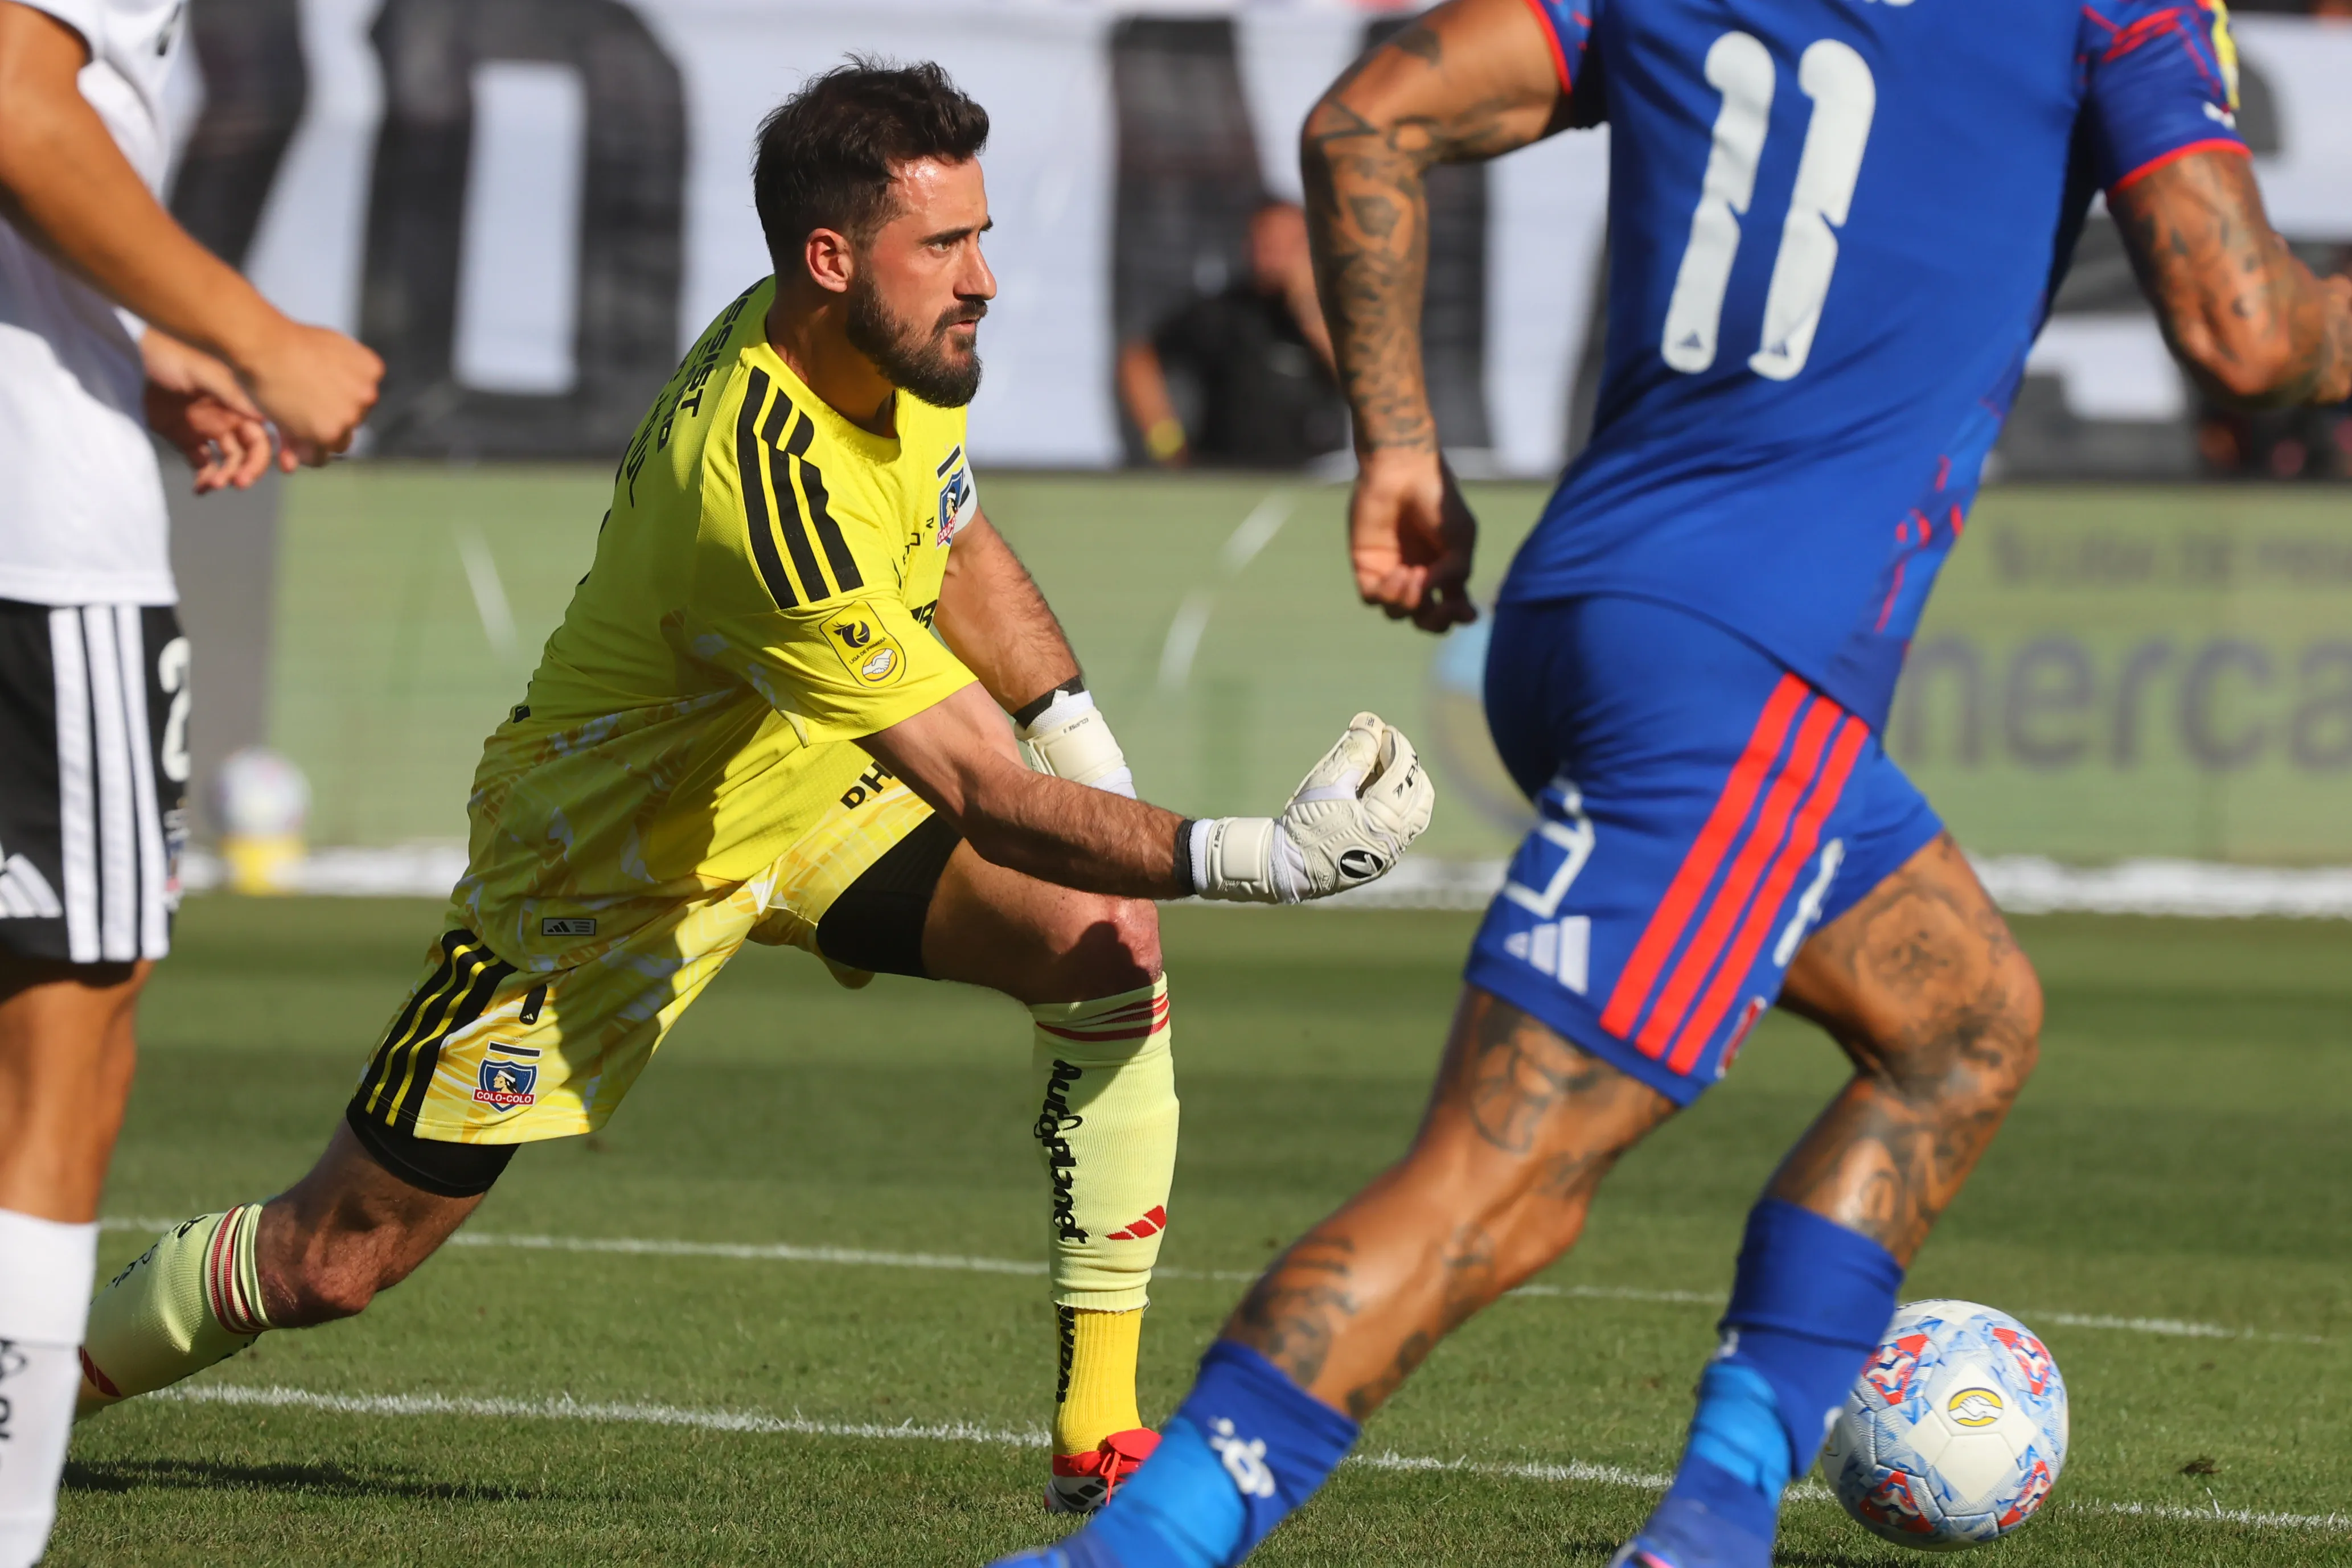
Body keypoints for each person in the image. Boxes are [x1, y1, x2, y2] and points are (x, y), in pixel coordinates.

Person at [1000, 0, 2351, 1560]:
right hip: (1742, 675)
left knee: (1961, 1026)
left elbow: (1361, 117)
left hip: (1585, 613)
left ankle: (1712, 1520)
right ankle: (1132, 1548)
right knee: (1498, 1186)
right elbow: (2247, 334)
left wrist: (1396, 441)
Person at [71, 59, 1433, 1524]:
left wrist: (1084, 741)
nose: (983, 279)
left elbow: (958, 540)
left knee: (1103, 946)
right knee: (332, 1261)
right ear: (830, 258)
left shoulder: (888, 348)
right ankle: (36, 1383)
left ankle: (1098, 1432)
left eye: (982, 235)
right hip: (603, 875)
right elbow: (975, 786)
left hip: (807, 791)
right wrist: (1263, 858)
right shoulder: (757, 477)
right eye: (947, 245)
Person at [0, 0, 381, 1561]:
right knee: (61, 1060)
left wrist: (129, 343)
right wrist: (254, 336)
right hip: (34, 548)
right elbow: (20, 109)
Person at [1116, 202, 1345, 469]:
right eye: (1267, 243)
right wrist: (1168, 443)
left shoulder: (1337, 315)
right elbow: (1138, 359)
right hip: (1229, 478)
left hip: (1319, 475)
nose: (1275, 255)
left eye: (1289, 245)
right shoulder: (1224, 313)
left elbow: (1358, 384)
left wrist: (1310, 311)